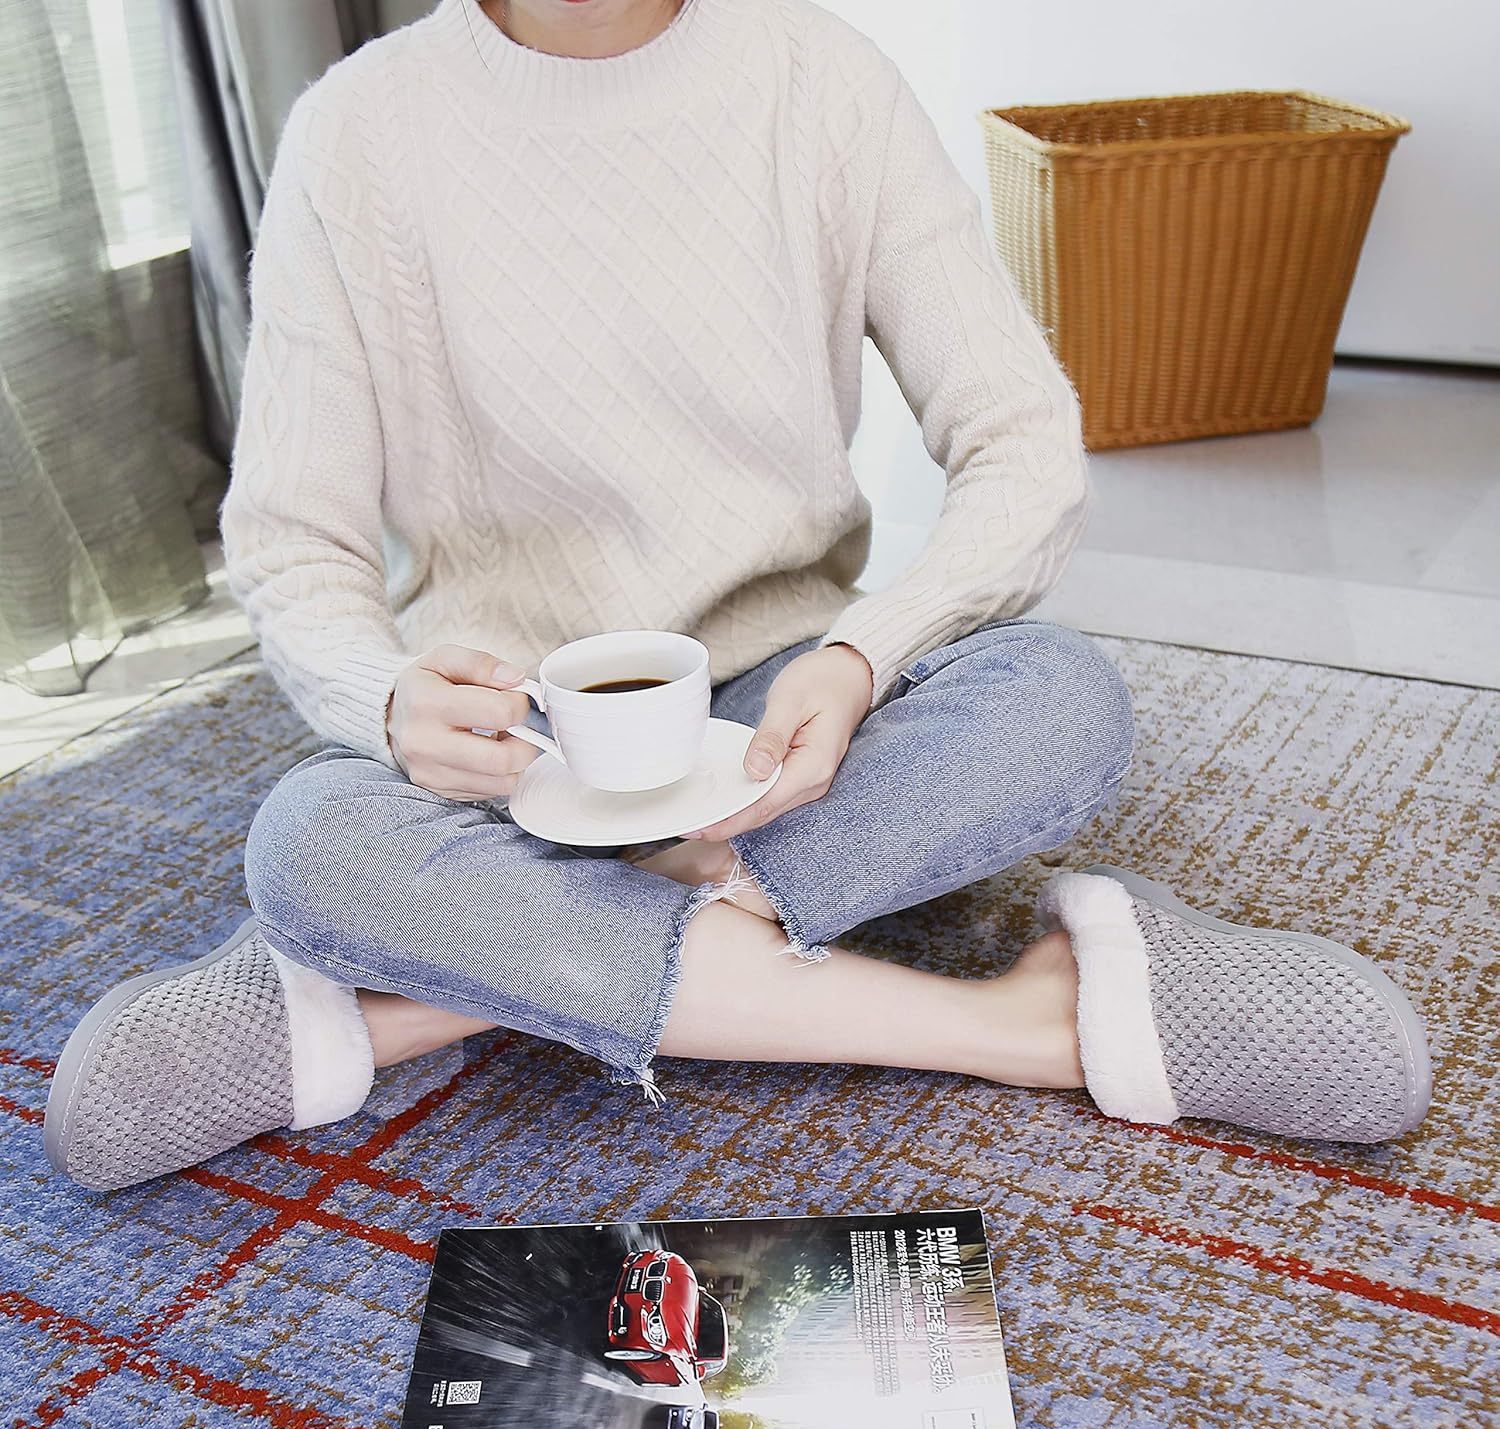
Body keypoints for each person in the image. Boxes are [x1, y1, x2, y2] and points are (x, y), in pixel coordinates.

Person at [43, 0, 1430, 1192]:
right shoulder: (355, 131)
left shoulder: (824, 83)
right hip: (516, 742)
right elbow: (293, 542)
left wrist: (864, 655)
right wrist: (388, 700)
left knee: (1059, 698)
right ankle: (1019, 1026)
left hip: (782, 711)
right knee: (312, 838)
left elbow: (1023, 442)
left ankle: (410, 991)